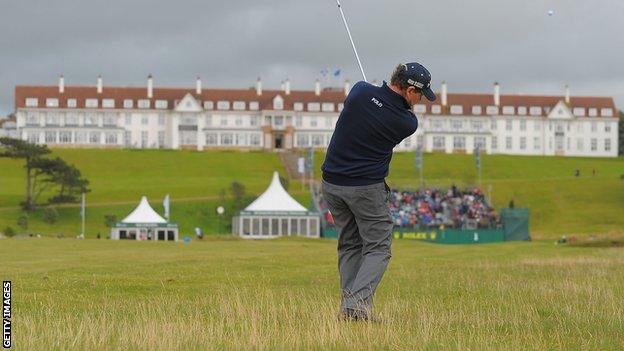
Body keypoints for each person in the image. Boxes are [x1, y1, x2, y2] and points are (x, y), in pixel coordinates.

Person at [321, 62, 436, 322]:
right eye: (420, 95)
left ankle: (350, 310)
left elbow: (371, 97)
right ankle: (355, 306)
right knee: (378, 248)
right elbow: (389, 109)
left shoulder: (360, 91)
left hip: (332, 183)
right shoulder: (407, 122)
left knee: (350, 244)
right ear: (409, 91)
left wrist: (379, 98)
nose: (420, 101)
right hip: (365, 188)